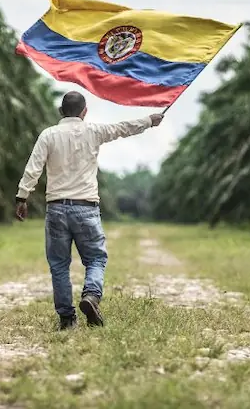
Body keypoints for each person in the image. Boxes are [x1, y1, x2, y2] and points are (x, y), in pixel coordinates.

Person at [14, 91, 164, 330]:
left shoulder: (48, 135)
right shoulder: (93, 131)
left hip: (56, 208)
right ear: (84, 112)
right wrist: (149, 121)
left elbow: (33, 168)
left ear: (61, 112)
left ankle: (66, 319)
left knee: (59, 265)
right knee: (95, 258)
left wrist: (22, 196)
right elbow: (122, 128)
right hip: (86, 208)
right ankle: (92, 296)